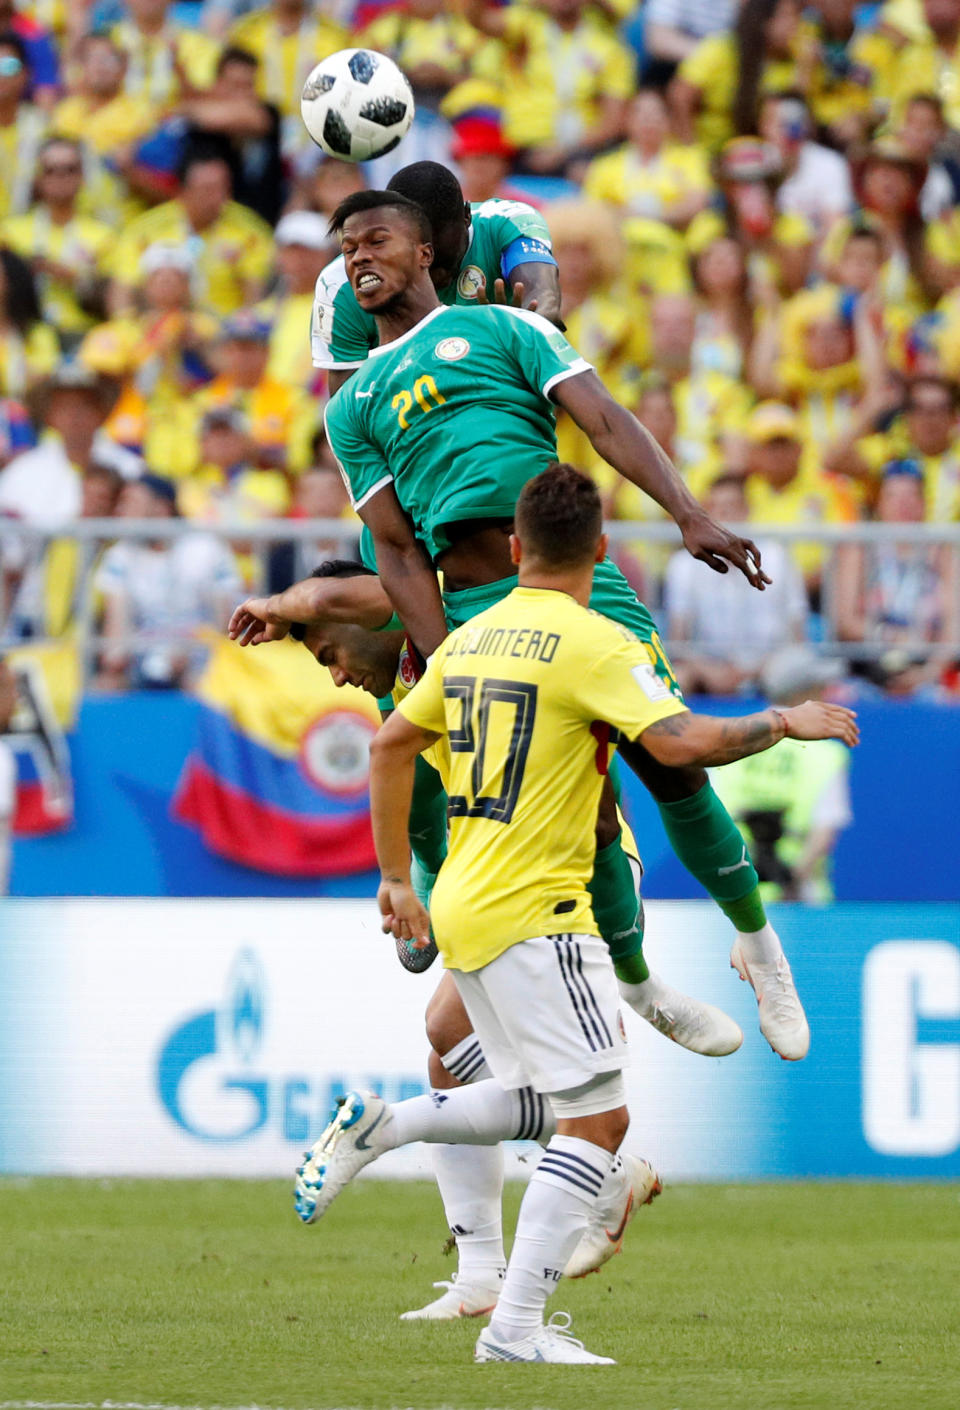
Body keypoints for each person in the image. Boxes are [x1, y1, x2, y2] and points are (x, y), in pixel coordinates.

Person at [292, 464, 859, 1364]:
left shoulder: (464, 642)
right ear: (601, 553)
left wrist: (397, 877)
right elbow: (679, 745)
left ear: (514, 552)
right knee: (599, 1128)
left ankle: (399, 1145)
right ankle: (511, 1324)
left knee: (547, 1102)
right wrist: (784, 720)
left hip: (467, 907)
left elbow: (393, 741)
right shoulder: (596, 639)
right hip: (540, 909)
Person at [312, 188, 809, 1062]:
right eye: (347, 247)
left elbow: (606, 421)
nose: (360, 258)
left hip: (574, 583)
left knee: (670, 760)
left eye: (377, 239)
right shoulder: (351, 410)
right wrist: (439, 654)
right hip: (468, 609)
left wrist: (688, 513)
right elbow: (392, 548)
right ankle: (637, 979)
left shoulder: (509, 331)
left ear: (426, 251)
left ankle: (762, 948)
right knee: (582, 813)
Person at [311, 161, 561, 395]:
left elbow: (544, 299)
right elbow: (348, 408)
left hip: (503, 407)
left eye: (441, 262)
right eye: (417, 263)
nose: (431, 276)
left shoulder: (507, 222)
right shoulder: (342, 284)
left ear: (466, 216)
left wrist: (516, 329)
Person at [711, 645, 853, 903]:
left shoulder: (733, 741)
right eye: (820, 688)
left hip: (737, 895)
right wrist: (790, 885)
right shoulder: (826, 753)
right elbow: (823, 833)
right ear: (802, 694)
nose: (828, 695)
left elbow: (710, 824)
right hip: (800, 898)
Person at [665, 474, 809, 696]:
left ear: (747, 511)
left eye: (732, 507)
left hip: (770, 662)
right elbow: (678, 639)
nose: (724, 516)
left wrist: (755, 670)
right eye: (716, 508)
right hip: (707, 666)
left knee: (792, 671)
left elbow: (797, 634)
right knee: (678, 679)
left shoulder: (778, 557)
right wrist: (707, 670)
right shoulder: (682, 565)